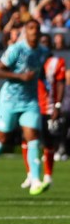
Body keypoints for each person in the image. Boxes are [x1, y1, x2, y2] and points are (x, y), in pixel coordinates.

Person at [0, 19, 48, 195]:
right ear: (26, 31)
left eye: (37, 28)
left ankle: (35, 180)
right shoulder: (16, 49)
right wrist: (20, 77)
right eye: (31, 28)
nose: (34, 31)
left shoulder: (43, 52)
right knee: (2, 138)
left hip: (30, 101)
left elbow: (43, 74)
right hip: (9, 100)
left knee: (33, 137)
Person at [30, 38, 65, 191]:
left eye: (45, 41)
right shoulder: (30, 58)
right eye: (41, 41)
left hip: (47, 107)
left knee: (48, 142)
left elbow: (61, 84)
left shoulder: (56, 62)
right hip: (30, 106)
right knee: (28, 138)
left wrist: (57, 105)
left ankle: (48, 176)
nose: (43, 43)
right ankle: (30, 175)